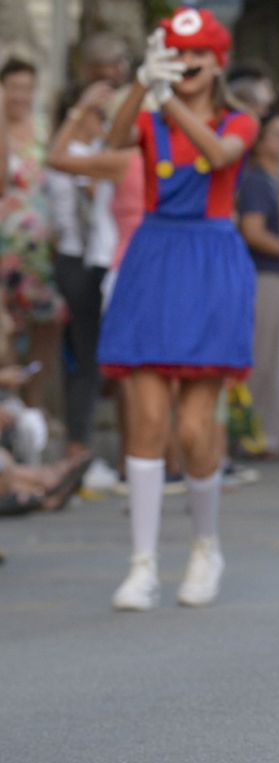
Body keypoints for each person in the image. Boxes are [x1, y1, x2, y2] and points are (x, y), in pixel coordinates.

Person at [99, 8, 259, 610]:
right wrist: (140, 83)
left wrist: (166, 101)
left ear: (218, 61)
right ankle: (141, 564)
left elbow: (220, 155)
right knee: (145, 423)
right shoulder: (151, 111)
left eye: (198, 54)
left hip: (212, 260)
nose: (188, 63)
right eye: (177, 52)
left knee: (194, 428)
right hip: (154, 257)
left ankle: (205, 545)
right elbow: (113, 145)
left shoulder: (242, 118)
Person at [45, 81, 127, 475]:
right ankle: (78, 448)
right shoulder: (71, 153)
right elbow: (53, 159)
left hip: (102, 260)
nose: (104, 122)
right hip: (75, 260)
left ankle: (102, 449)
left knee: (101, 359)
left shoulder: (102, 153)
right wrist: (80, 108)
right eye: (100, 115)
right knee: (85, 357)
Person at [238, 98, 279, 457]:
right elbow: (253, 230)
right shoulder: (256, 182)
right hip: (266, 277)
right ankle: (261, 435)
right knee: (266, 359)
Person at [0, 57, 62, 410]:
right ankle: (11, 408)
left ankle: (34, 404)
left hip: (39, 248)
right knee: (5, 329)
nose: (20, 95)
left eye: (27, 87)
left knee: (45, 322)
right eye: (14, 87)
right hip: (3, 245)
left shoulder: (44, 128)